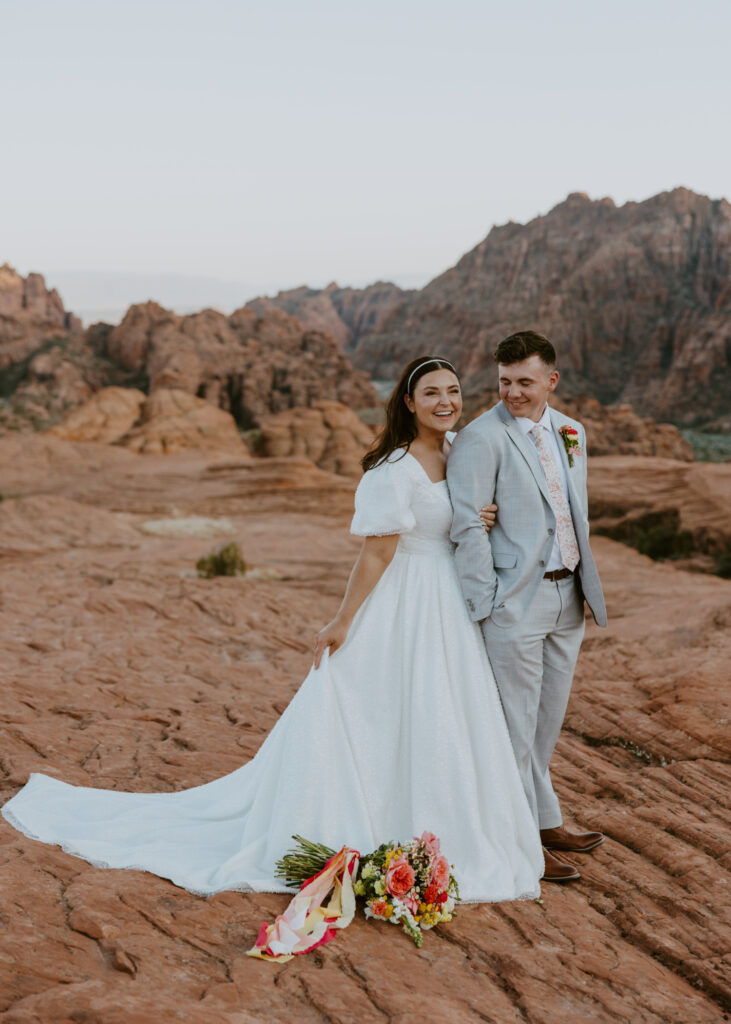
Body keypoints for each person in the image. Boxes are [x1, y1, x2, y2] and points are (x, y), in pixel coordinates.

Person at [1, 356, 543, 903]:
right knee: (384, 710)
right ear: (409, 401)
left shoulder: (458, 453)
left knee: (442, 712)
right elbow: (377, 556)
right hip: (405, 602)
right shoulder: (394, 469)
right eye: (431, 393)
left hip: (448, 603)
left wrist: (480, 519)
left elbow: (461, 519)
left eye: (452, 391)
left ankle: (444, 824)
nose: (445, 401)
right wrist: (343, 619)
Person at [447, 331, 608, 883]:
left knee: (544, 725)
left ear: (551, 381)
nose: (513, 392)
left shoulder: (571, 431)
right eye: (504, 382)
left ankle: (543, 819)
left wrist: (581, 587)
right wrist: (485, 605)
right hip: (515, 603)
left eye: (524, 382)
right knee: (513, 729)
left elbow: (573, 511)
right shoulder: (478, 438)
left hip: (570, 597)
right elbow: (467, 526)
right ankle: (521, 847)